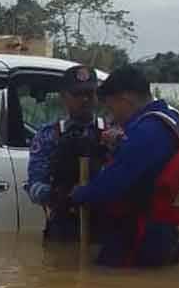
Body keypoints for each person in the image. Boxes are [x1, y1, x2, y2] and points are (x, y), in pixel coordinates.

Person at [71, 65, 179, 267]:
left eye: (111, 107)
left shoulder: (146, 132)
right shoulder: (175, 121)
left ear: (126, 99)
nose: (112, 117)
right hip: (170, 235)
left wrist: (78, 194)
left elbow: (110, 186)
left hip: (139, 238)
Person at [26, 65, 117, 243]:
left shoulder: (112, 132)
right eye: (77, 94)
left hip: (106, 228)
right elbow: (34, 187)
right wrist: (60, 195)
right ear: (64, 97)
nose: (85, 100)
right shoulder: (48, 136)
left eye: (90, 94)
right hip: (63, 226)